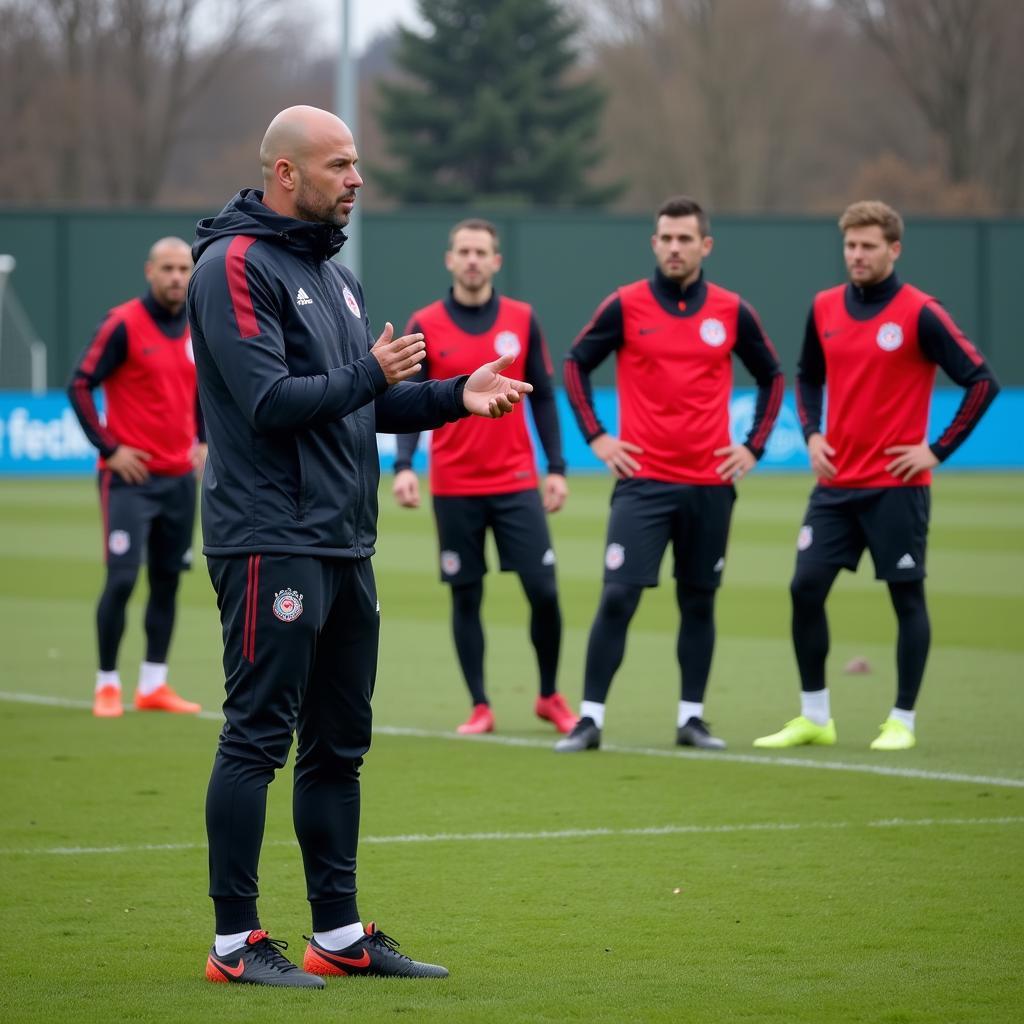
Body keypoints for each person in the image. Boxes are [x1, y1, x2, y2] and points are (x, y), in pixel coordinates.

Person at [187, 105, 534, 989]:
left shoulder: (335, 278)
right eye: (340, 165)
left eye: (358, 165)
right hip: (270, 537)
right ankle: (235, 943)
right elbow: (269, 402)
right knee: (257, 737)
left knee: (339, 745)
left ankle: (337, 934)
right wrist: (370, 374)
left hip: (344, 541)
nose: (357, 180)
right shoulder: (233, 265)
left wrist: (458, 394)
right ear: (286, 175)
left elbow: (363, 402)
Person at [754, 200, 999, 753]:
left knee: (906, 599)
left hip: (897, 487)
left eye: (868, 246)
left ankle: (902, 720)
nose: (857, 256)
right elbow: (807, 375)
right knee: (804, 587)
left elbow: (981, 381)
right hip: (836, 484)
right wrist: (813, 433)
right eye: (850, 246)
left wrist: (936, 450)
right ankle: (815, 715)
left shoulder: (920, 312)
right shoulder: (823, 307)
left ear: (894, 249)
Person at [556, 196, 784, 754]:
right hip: (644, 483)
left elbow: (773, 376)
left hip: (710, 484)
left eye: (686, 239)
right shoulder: (625, 306)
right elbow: (575, 363)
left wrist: (753, 446)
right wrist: (598, 438)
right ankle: (588, 719)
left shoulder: (732, 311)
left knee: (699, 600)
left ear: (705, 246)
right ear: (654, 243)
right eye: (667, 238)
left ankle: (692, 719)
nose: (675, 247)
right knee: (618, 596)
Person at [392, 219, 576, 736]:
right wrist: (404, 466)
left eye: (482, 252)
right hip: (454, 485)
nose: (472, 260)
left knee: (543, 590)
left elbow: (542, 395)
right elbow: (408, 399)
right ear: (449, 259)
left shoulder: (522, 318)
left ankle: (549, 695)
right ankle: (480, 705)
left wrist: (556, 469)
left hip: (516, 481)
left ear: (496, 261)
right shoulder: (425, 321)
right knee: (465, 595)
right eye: (464, 251)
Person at [68, 237, 206, 719]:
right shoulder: (122, 323)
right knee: (123, 578)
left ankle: (153, 684)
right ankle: (107, 683)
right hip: (129, 479)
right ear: (149, 271)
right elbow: (80, 384)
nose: (175, 277)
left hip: (178, 480)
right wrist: (109, 448)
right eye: (166, 268)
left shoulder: (196, 325)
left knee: (167, 581)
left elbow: (205, 391)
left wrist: (204, 439)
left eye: (183, 268)